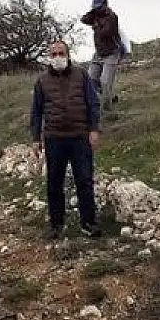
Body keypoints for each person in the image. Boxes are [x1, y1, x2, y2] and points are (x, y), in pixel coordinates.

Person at [29, 40, 103, 240]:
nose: (58, 57)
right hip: (54, 139)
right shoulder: (42, 81)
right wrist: (36, 139)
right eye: (53, 54)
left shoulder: (81, 75)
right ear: (49, 57)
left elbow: (93, 103)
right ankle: (56, 224)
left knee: (85, 181)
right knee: (54, 183)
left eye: (61, 53)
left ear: (68, 55)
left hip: (80, 137)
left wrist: (95, 130)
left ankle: (88, 223)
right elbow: (36, 111)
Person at [80, 0, 122, 110]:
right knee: (91, 79)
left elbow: (106, 33)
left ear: (105, 5)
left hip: (112, 53)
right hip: (98, 53)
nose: (98, 10)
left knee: (105, 81)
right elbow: (83, 19)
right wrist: (92, 13)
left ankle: (107, 109)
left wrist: (96, 26)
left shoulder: (112, 17)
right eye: (96, 8)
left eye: (99, 7)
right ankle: (110, 96)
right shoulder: (95, 15)